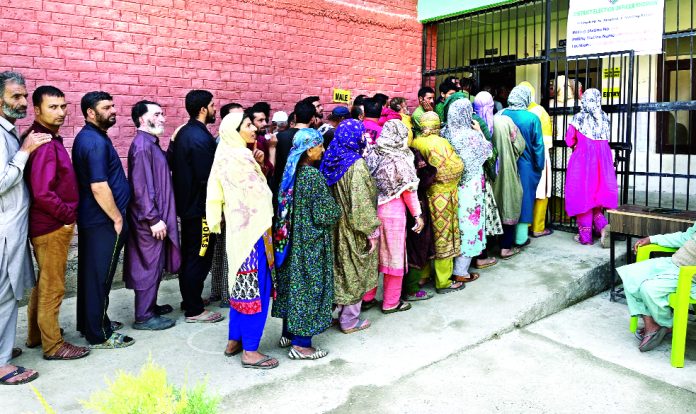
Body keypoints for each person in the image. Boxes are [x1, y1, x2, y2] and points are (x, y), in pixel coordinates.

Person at [207, 112, 278, 369]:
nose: (253, 129)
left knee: (240, 283)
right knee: (254, 290)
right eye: (247, 125)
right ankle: (250, 350)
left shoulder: (227, 154)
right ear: (233, 132)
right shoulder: (240, 158)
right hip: (252, 234)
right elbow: (261, 195)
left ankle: (234, 340)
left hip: (239, 233)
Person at [23, 85, 89, 360]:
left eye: (63, 106)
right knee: (53, 286)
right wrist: (67, 216)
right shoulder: (44, 143)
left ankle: (36, 336)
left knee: (44, 283)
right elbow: (42, 192)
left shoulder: (44, 138)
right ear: (36, 110)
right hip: (51, 226)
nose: (61, 112)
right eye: (53, 107)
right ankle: (53, 346)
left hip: (47, 225)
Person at [72, 91, 134, 349]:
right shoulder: (94, 142)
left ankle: (92, 322)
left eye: (113, 106)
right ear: (90, 112)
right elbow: (99, 186)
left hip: (96, 220)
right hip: (103, 222)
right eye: (106, 107)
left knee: (92, 276)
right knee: (101, 278)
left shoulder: (92, 137)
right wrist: (117, 218)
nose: (113, 110)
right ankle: (100, 334)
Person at [0, 71, 50, 384]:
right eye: (15, 96)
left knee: (7, 294)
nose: (22, 102)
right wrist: (25, 151)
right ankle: (1, 363)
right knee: (5, 295)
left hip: (12, 227)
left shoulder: (10, 131)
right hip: (4, 230)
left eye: (23, 96)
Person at [272, 128, 340, 359]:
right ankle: (302, 345)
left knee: (292, 284)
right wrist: (337, 209)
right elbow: (326, 214)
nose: (323, 149)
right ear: (309, 150)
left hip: (289, 241)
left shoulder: (290, 172)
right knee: (309, 288)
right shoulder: (313, 177)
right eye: (319, 145)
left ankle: (288, 334)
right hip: (309, 243)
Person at [320, 119, 380, 333]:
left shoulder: (330, 157)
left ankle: (334, 313)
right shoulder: (356, 165)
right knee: (355, 269)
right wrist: (371, 231)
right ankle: (349, 320)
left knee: (338, 269)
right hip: (352, 227)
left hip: (333, 226)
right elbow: (361, 203)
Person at [124, 101, 180, 331]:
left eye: (162, 113)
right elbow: (140, 187)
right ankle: (144, 316)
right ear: (141, 119)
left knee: (155, 264)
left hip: (156, 217)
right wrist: (153, 218)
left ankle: (150, 306)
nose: (163, 118)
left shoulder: (151, 143)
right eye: (157, 114)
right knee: (147, 266)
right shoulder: (141, 146)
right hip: (149, 221)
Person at [169, 89, 223, 323]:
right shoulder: (199, 137)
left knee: (193, 254)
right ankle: (193, 309)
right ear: (203, 109)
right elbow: (207, 177)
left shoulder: (185, 132)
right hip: (199, 209)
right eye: (212, 106)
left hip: (190, 206)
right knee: (199, 256)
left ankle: (190, 299)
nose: (214, 110)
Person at [363, 120, 425, 313]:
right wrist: (418, 215)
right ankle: (391, 302)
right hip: (393, 214)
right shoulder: (401, 157)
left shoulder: (372, 152)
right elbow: (408, 191)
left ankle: (367, 297)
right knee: (394, 257)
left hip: (372, 209)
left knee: (372, 255)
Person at [410, 112, 465, 293]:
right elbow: (455, 168)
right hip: (442, 196)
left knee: (425, 236)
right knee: (443, 236)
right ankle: (443, 281)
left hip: (421, 197)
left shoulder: (415, 142)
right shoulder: (440, 143)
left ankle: (423, 276)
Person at [618, 224, 696, 352]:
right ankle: (654, 324)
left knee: (648, 288)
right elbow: (685, 237)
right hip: (674, 264)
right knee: (630, 274)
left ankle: (663, 324)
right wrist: (652, 239)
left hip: (689, 276)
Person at [445, 99, 492, 285]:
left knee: (451, 226)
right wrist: (480, 133)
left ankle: (445, 270)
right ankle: (461, 271)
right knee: (468, 226)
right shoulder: (471, 136)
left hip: (449, 187)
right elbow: (488, 152)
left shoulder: (444, 132)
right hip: (469, 188)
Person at [564, 88, 617, 246]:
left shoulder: (579, 117)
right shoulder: (604, 117)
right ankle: (602, 228)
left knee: (583, 196)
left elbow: (569, 140)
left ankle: (585, 238)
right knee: (595, 196)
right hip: (602, 161)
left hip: (583, 161)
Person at [498, 86, 545, 247]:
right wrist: (539, 166)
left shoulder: (501, 114)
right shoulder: (532, 118)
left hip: (505, 162)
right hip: (526, 164)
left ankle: (503, 238)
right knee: (525, 198)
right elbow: (538, 145)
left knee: (506, 196)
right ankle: (520, 238)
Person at [209, 102, 245, 308]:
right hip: (228, 205)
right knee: (225, 251)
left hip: (235, 206)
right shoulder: (224, 144)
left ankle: (220, 291)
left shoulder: (236, 143)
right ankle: (225, 294)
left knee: (224, 251)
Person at [519, 81, 554, 238]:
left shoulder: (511, 111)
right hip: (539, 156)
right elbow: (547, 141)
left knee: (523, 192)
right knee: (541, 190)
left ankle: (522, 229)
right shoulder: (540, 111)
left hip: (519, 158)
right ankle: (538, 227)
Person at [472, 91, 503, 269]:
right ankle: (481, 255)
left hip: (475, 178)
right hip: (481, 178)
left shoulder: (471, 120)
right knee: (482, 215)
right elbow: (489, 153)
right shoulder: (481, 124)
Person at [490, 114, 526, 259]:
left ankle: (486, 249)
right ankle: (505, 247)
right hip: (506, 169)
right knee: (509, 202)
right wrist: (511, 155)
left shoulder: (476, 121)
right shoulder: (504, 120)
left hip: (485, 175)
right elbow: (519, 144)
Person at [271, 100, 315, 203]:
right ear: (312, 119)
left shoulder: (279, 137)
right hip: (305, 189)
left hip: (282, 188)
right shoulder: (315, 138)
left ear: (294, 117)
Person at [248, 102, 276, 178]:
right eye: (260, 120)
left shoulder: (261, 139)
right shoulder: (252, 142)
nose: (265, 123)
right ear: (250, 123)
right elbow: (269, 171)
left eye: (265, 120)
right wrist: (272, 147)